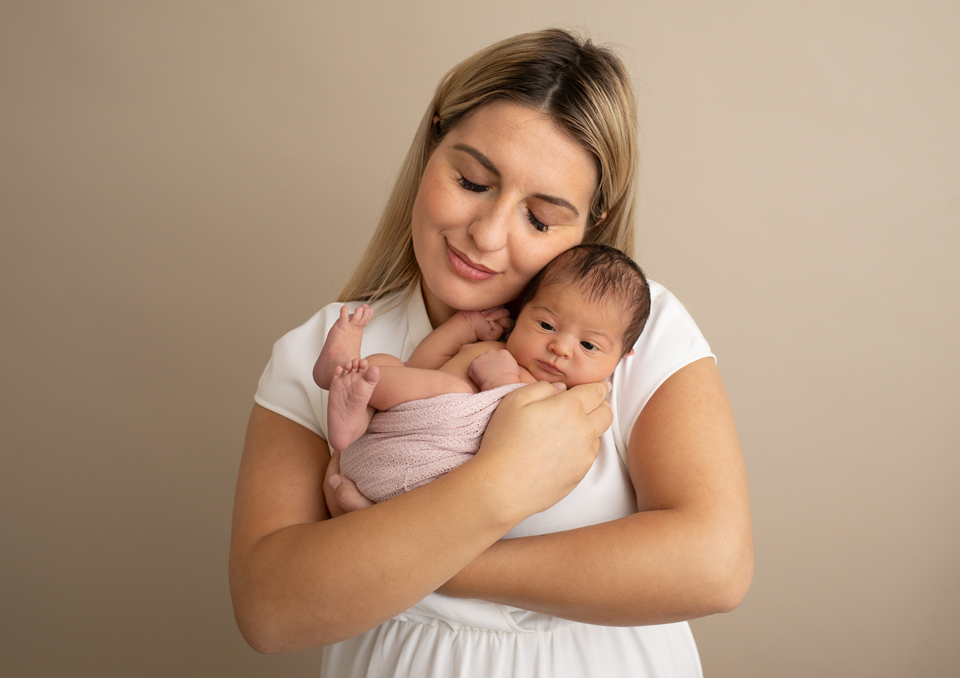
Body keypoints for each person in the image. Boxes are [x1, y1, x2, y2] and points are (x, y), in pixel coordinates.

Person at [230, 28, 752, 677]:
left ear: (594, 221)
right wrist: (500, 484)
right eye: (474, 180)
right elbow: (271, 611)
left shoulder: (629, 335)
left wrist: (440, 563)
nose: (487, 234)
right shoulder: (327, 353)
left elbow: (715, 565)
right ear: (432, 145)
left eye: (540, 219)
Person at [314, 244, 651, 503]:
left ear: (622, 357)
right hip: (372, 445)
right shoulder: (497, 348)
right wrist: (463, 327)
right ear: (520, 313)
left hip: (421, 474)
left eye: (588, 346)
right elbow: (421, 366)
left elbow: (519, 443)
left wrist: (501, 384)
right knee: (388, 362)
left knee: (448, 386)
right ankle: (349, 410)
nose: (560, 348)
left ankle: (342, 377)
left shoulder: (562, 401)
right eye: (546, 325)